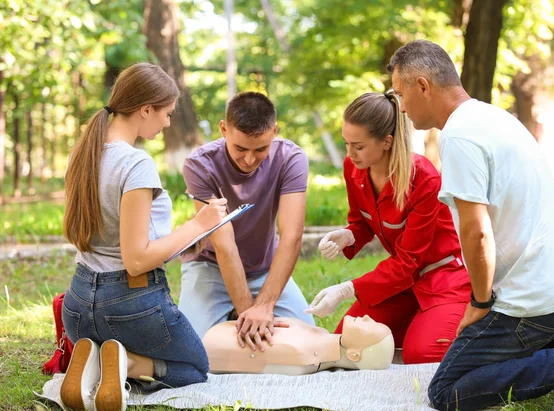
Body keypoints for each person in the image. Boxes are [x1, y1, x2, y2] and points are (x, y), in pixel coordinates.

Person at [387, 39, 554, 411]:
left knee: (446, 389)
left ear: (423, 85)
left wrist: (480, 301)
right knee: (480, 358)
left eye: (401, 94)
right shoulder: (491, 116)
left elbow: (476, 231)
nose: (401, 107)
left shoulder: (460, 136)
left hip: (530, 305)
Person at [59, 62, 227, 411]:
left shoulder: (84, 152)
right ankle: (127, 364)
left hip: (77, 310)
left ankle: (94, 362)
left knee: (116, 335)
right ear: (146, 109)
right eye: (165, 113)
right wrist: (199, 223)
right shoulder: (135, 164)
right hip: (129, 305)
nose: (167, 122)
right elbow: (135, 258)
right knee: (195, 367)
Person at [305, 92, 472, 364]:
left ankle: (452, 324)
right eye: (346, 143)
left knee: (423, 355)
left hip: (443, 277)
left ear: (387, 141)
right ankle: (419, 322)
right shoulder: (354, 168)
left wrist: (346, 289)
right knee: (345, 343)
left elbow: (408, 261)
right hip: (401, 282)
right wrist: (348, 236)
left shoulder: (424, 178)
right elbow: (361, 222)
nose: (349, 154)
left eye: (358, 146)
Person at [179, 91, 315, 352]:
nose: (249, 160)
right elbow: (224, 244)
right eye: (240, 148)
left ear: (274, 131)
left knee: (308, 342)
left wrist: (264, 306)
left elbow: (291, 235)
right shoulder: (199, 165)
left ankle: (233, 315)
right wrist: (247, 315)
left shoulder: (291, 158)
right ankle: (229, 313)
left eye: (261, 149)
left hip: (265, 270)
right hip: (210, 267)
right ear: (224, 130)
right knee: (192, 353)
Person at [202, 315, 394, 375]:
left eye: (372, 326)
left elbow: (251, 351)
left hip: (212, 345)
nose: (368, 318)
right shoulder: (317, 338)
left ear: (354, 355)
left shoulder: (303, 356)